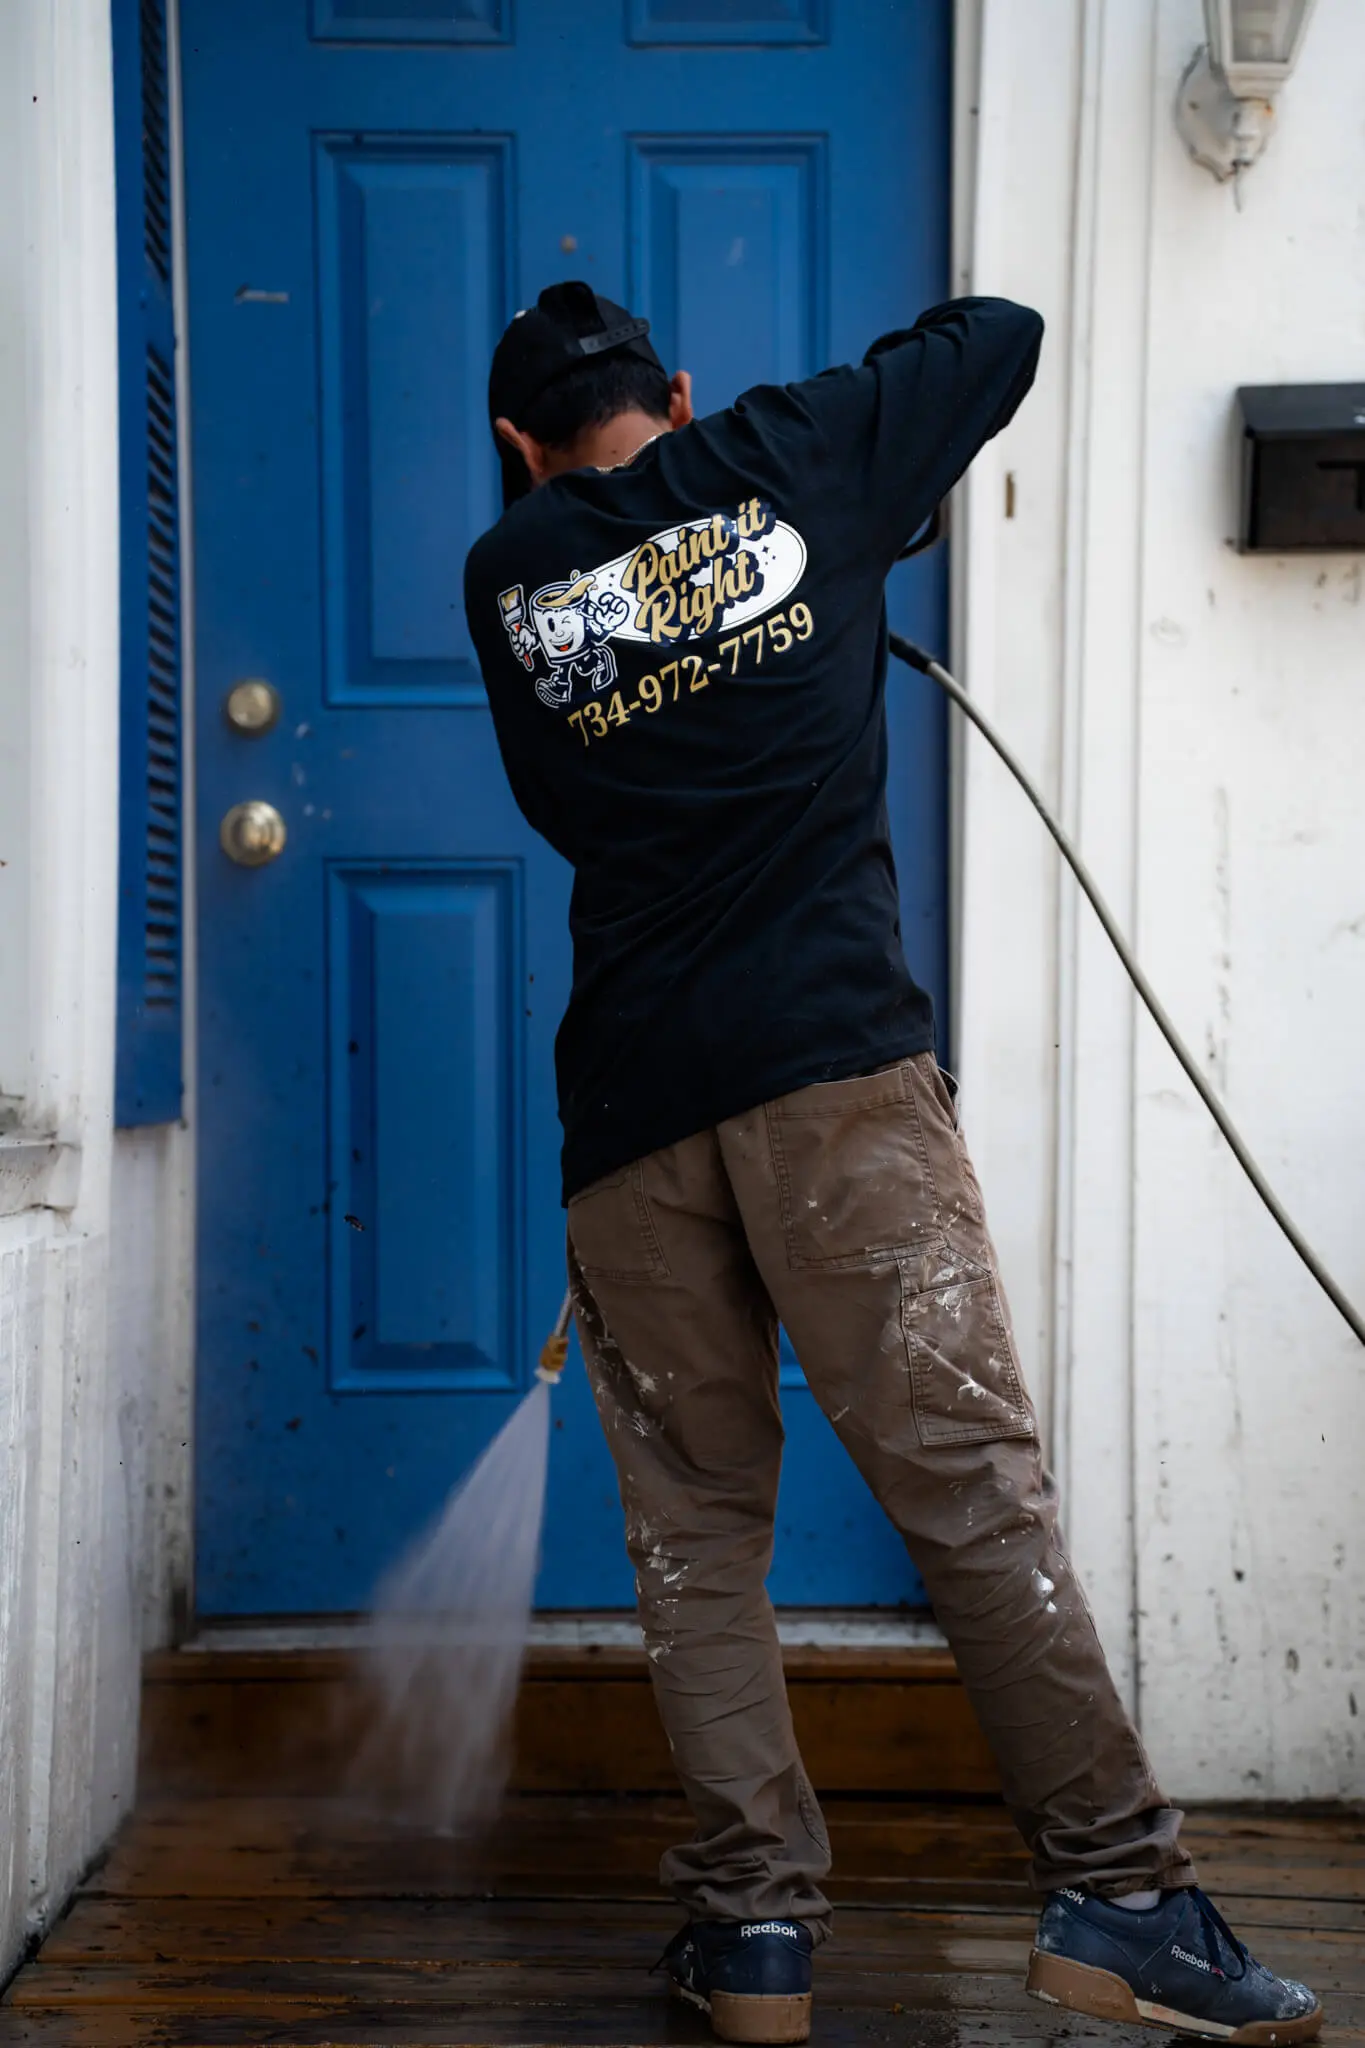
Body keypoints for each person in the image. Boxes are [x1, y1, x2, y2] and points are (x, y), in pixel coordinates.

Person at [463, 281, 1322, 2048]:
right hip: (836, 1093)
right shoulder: (792, 456)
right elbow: (998, 335)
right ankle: (1123, 1898)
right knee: (971, 1499)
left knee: (698, 1540)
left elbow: (572, 790)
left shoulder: (510, 577)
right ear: (677, 392)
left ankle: (755, 1938)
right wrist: (832, 486)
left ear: (514, 446)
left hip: (631, 1124)